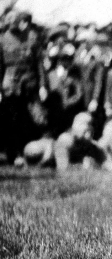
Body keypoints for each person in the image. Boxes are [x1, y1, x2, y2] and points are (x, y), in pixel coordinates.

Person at [0, 11, 47, 164]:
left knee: (36, 119)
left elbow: (39, 64)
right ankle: (15, 154)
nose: (16, 23)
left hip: (30, 85)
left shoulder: (32, 37)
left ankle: (38, 153)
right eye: (12, 20)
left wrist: (42, 86)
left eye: (17, 20)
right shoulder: (2, 39)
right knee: (12, 121)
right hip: (11, 86)